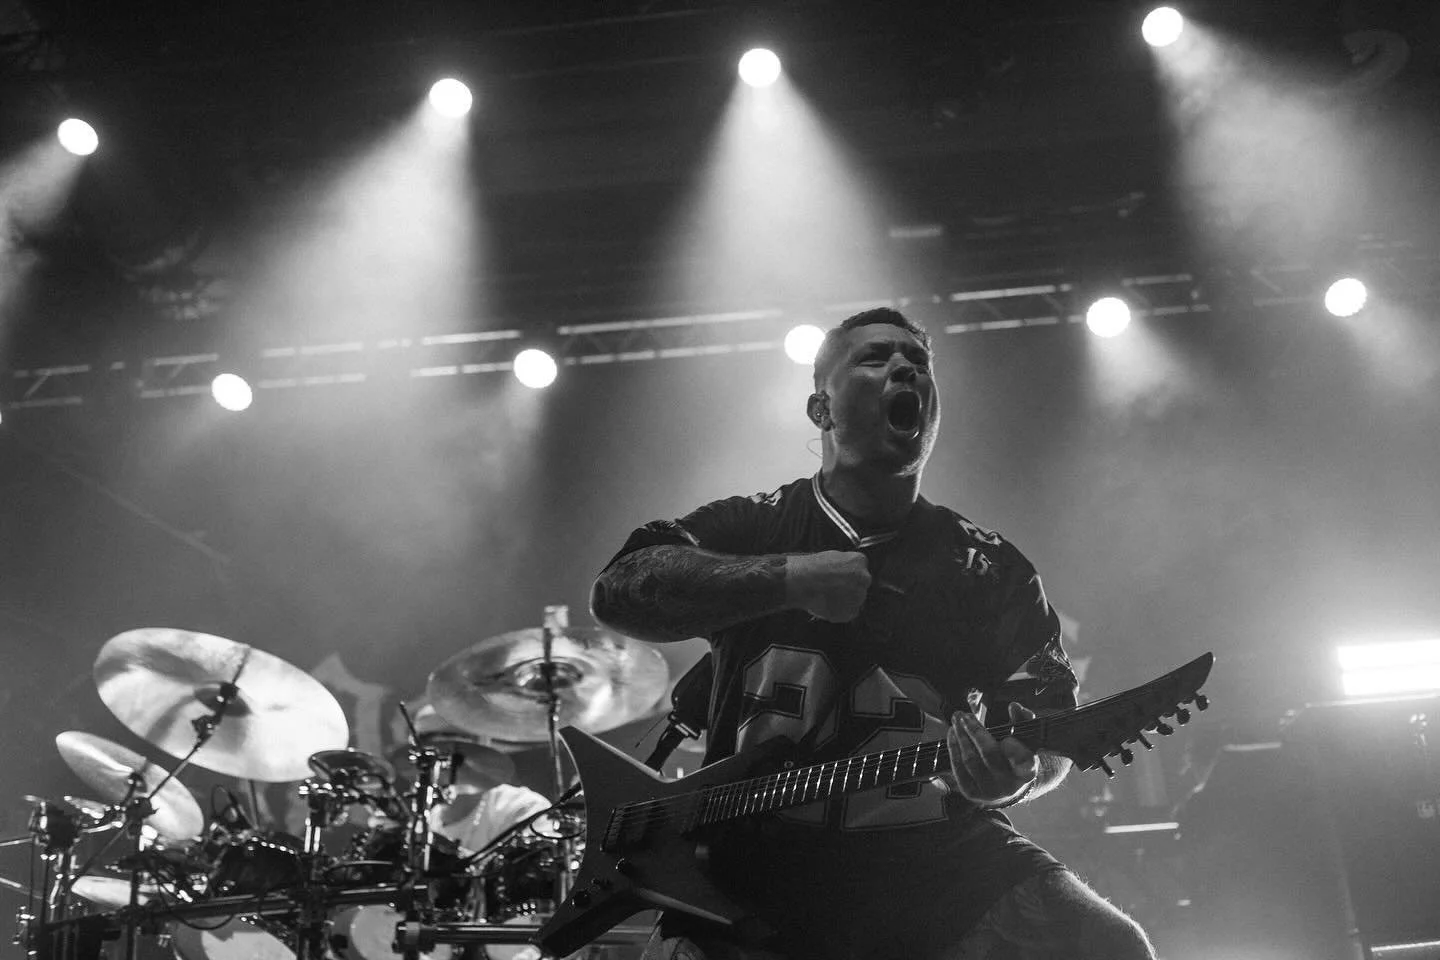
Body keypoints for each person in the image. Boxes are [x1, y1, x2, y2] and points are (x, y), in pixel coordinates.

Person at [588, 308, 1156, 960]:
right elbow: (620, 590)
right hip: (750, 863)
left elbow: (1053, 725)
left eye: (919, 362)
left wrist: (1016, 778)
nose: (905, 367)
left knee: (1110, 947)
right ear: (820, 408)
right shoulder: (754, 527)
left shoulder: (990, 569)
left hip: (931, 861)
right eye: (875, 357)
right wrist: (787, 579)